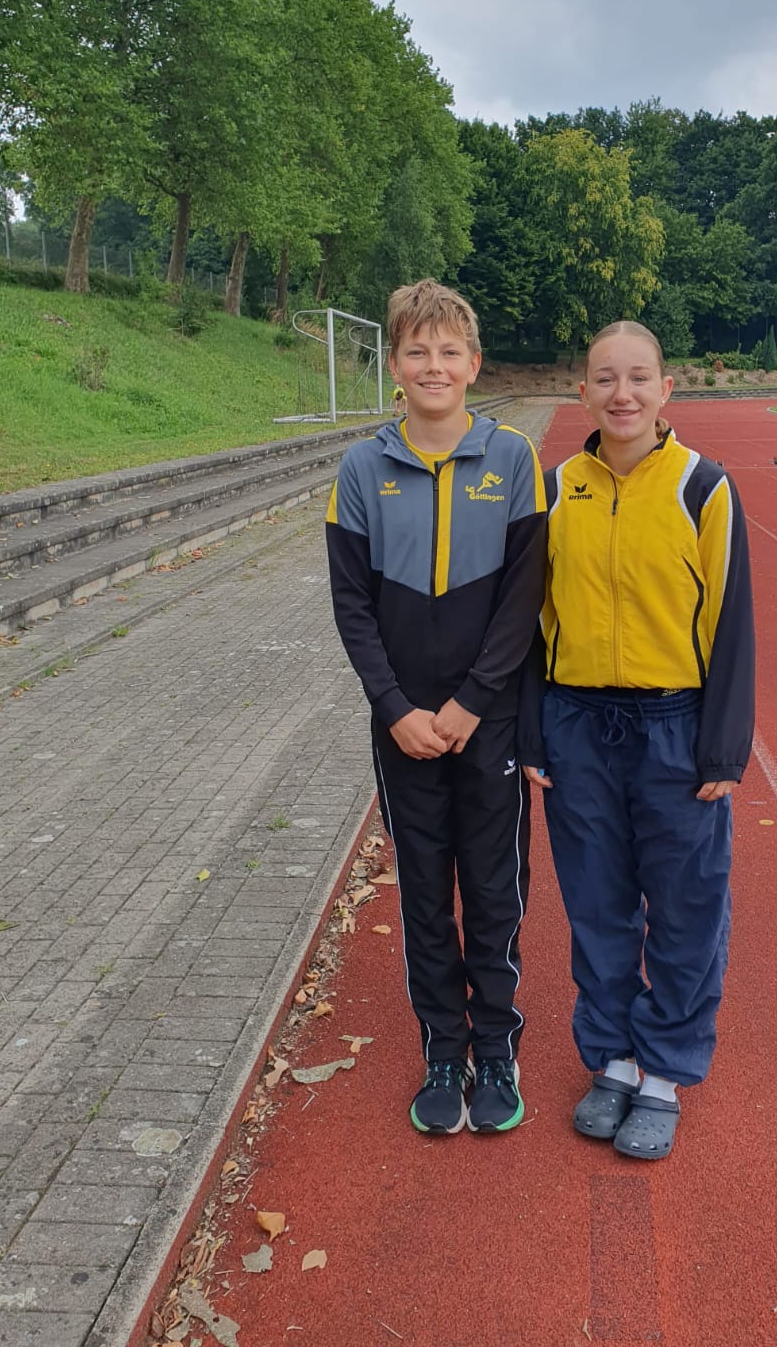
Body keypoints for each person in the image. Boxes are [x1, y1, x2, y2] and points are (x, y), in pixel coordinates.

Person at [523, 320, 754, 1160]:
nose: (622, 393)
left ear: (666, 390)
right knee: (597, 905)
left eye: (638, 377)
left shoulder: (703, 488)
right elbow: (527, 623)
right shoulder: (556, 490)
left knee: (686, 907)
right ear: (581, 391)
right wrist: (533, 734)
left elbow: (730, 621)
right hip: (576, 725)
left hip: (675, 728)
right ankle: (614, 1057)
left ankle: (665, 1069)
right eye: (604, 378)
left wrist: (722, 749)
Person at [326, 279, 547, 1135]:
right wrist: (393, 707)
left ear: (474, 364)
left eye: (449, 351)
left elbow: (524, 597)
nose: (434, 365)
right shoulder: (361, 469)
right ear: (394, 364)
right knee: (424, 892)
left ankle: (496, 1046)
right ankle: (443, 1052)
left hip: (488, 723)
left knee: (493, 890)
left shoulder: (513, 459)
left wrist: (473, 702)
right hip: (403, 727)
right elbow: (352, 606)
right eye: (417, 351)